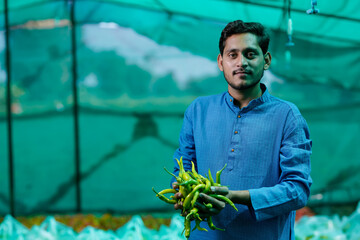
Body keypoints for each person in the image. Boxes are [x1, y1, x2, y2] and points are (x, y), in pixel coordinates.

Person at [171, 20, 312, 240]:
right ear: (221, 61)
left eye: (250, 54)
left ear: (266, 61)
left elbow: (297, 191)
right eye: (232, 55)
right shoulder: (198, 110)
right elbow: (181, 171)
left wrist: (235, 196)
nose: (241, 62)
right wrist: (183, 194)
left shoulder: (287, 116)